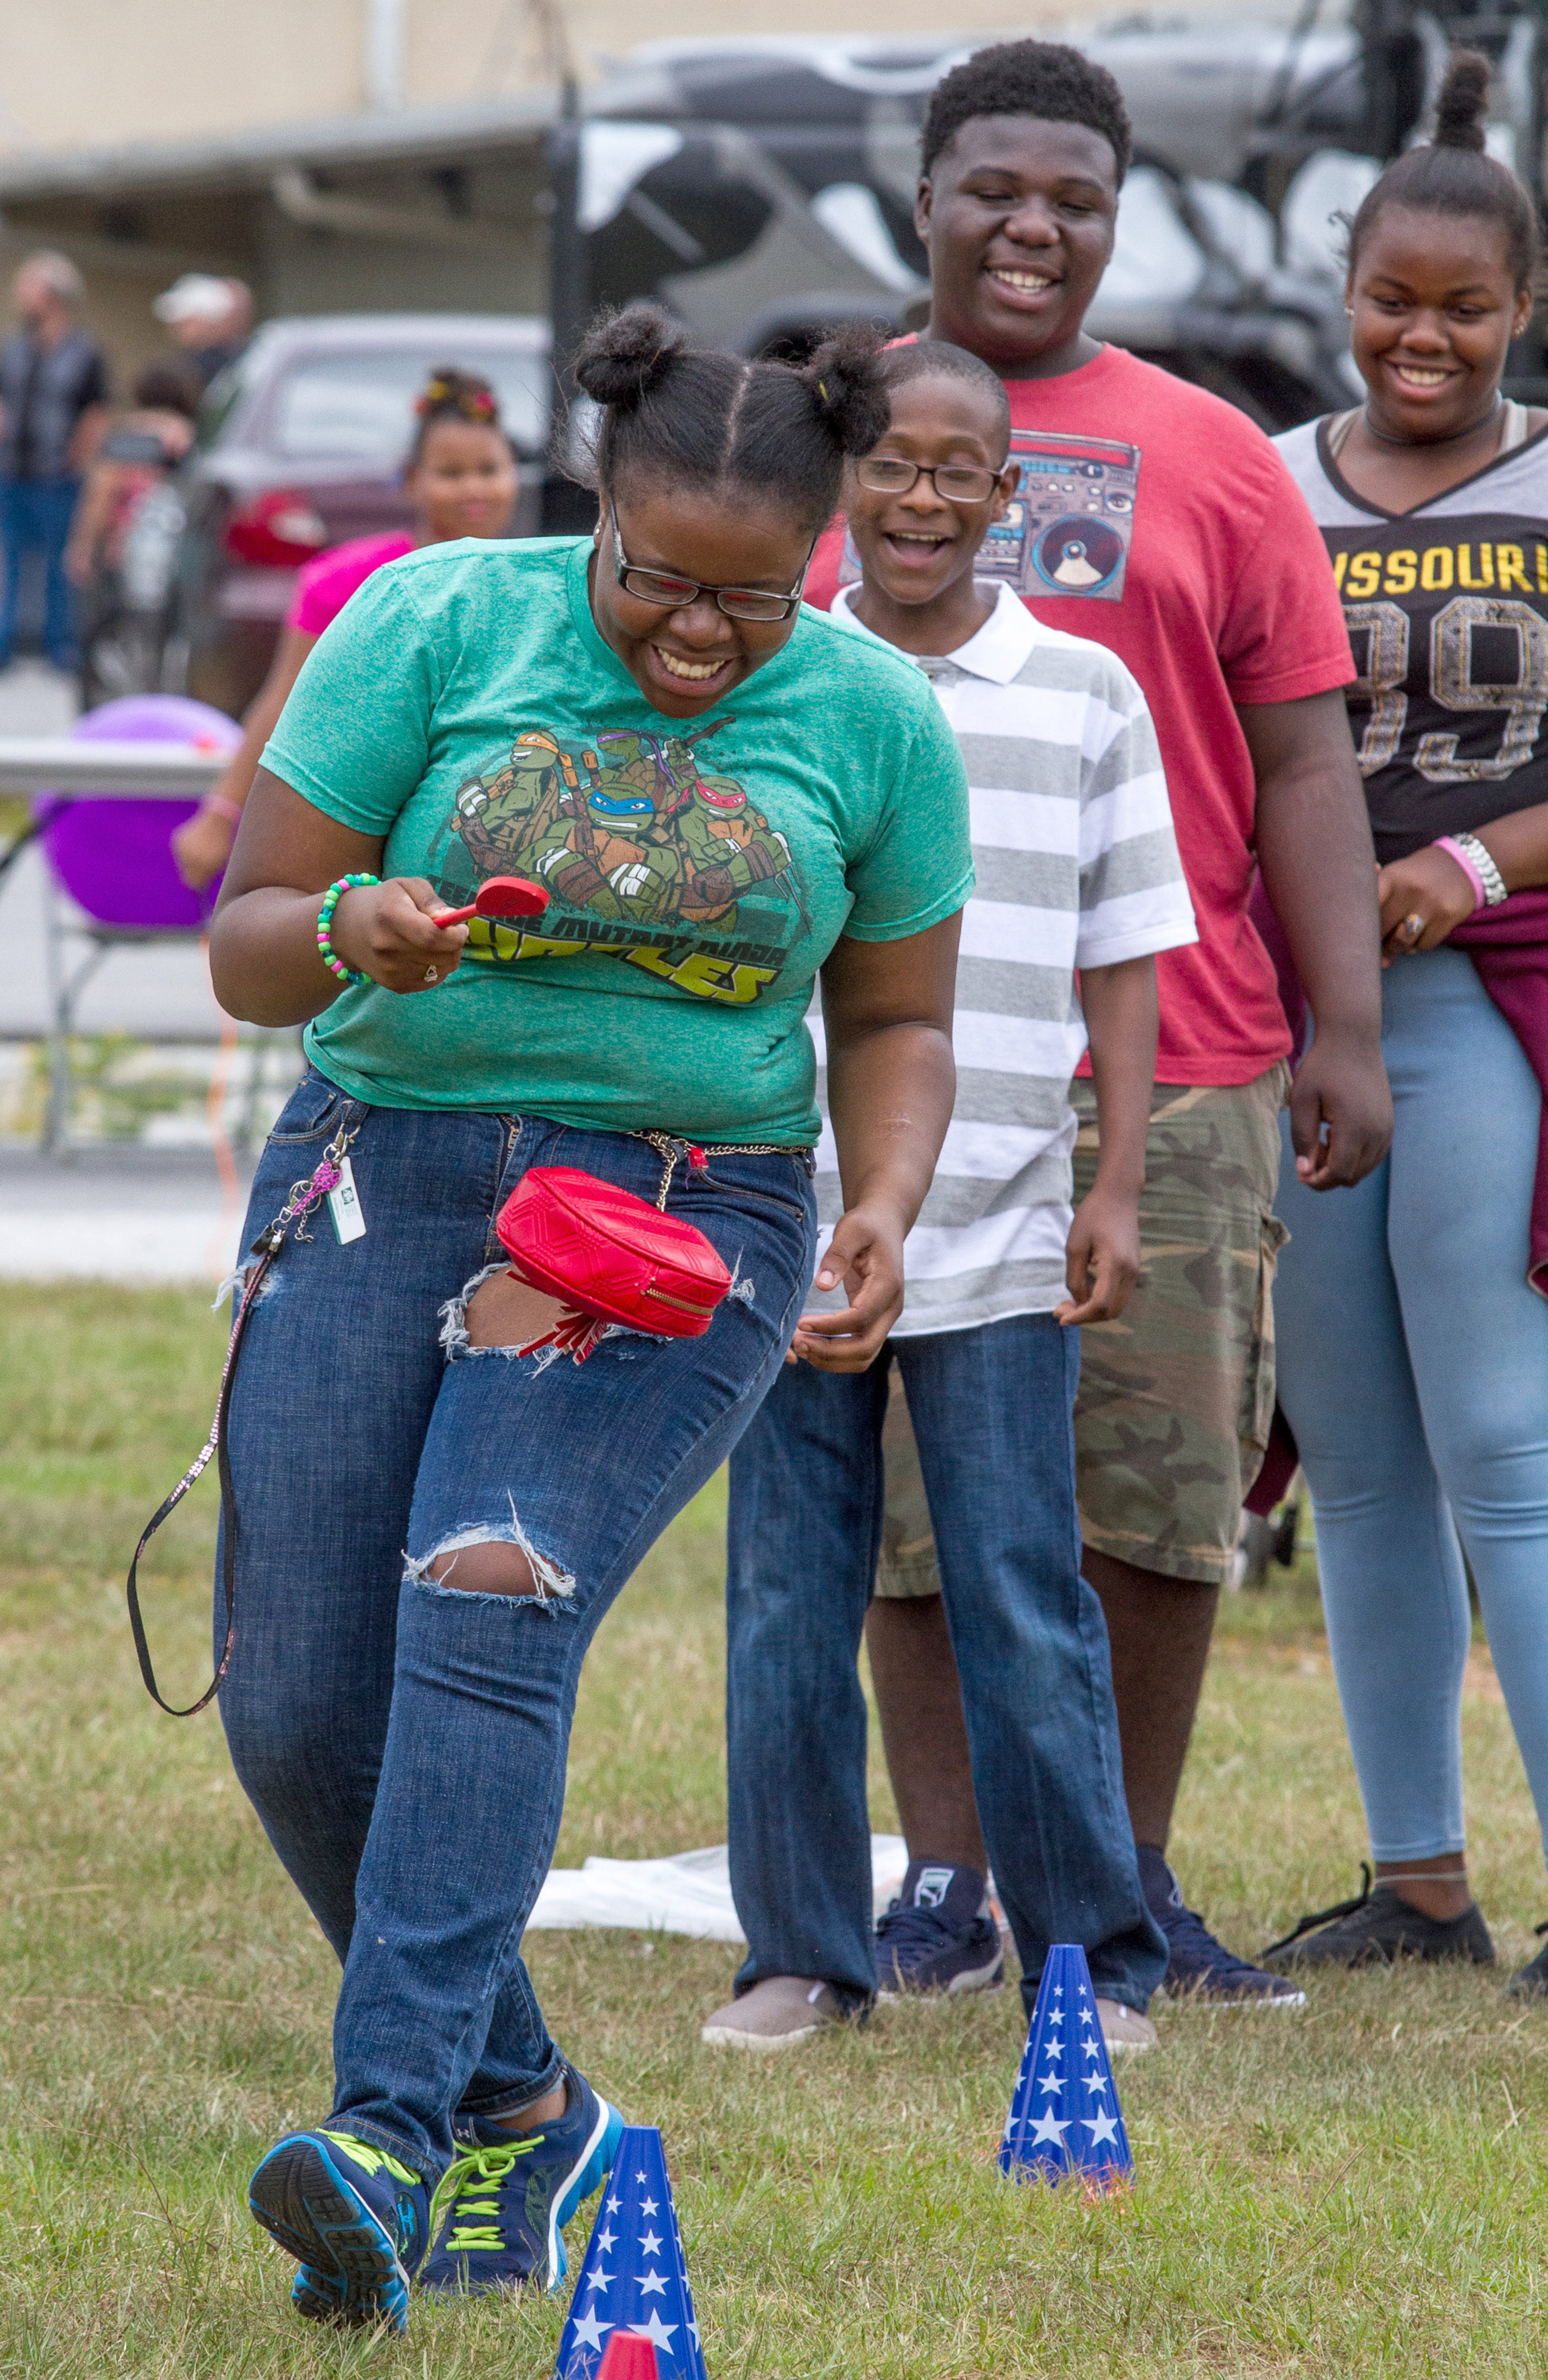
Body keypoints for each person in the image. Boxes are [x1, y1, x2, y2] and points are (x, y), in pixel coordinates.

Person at [206, 304, 974, 2332]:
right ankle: (529, 2101)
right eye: (658, 581)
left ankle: (384, 2131)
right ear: (597, 514)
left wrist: (880, 1202)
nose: (701, 636)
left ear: (814, 559)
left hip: (675, 1213)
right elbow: (246, 937)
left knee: (488, 1587)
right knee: (292, 1697)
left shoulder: (875, 718)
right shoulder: (438, 624)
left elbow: (895, 1017)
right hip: (389, 1163)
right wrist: (350, 924)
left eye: (753, 596)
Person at [803, 38, 1392, 2004]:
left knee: (1157, 1492)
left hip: (1189, 1047)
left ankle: (1122, 1882)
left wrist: (1349, 1026)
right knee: (907, 1511)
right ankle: (950, 1882)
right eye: (996, 190)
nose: (1032, 226)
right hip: (876, 1058)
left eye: (1072, 196)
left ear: (1113, 215)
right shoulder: (823, 422)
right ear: (928, 199)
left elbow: (1306, 765)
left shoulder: (1218, 449)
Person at [704, 337, 1194, 2055]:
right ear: (842, 484)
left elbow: (1127, 958)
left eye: (953, 474)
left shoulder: (1085, 695)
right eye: (887, 467)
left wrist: (1116, 1183)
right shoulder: (772, 676)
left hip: (993, 1219)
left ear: (1011, 497)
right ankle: (799, 1956)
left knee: (1014, 1584)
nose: (918, 499)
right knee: (786, 1584)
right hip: (783, 1215)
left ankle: (1092, 1961)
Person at [1263, 52, 1548, 1988]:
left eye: (1461, 305)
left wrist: (1473, 869)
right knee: (1356, 1459)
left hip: (1489, 1003)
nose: (1420, 336)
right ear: (1340, 289)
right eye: (1390, 298)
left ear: (1521, 309)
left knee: (1507, 1446)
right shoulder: (1268, 480)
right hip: (1303, 1024)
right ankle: (1417, 1882)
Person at [173, 366, 518, 892]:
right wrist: (221, 816)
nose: (474, 488)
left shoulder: (532, 584)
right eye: (451, 473)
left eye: (489, 469)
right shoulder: (346, 582)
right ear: (410, 479)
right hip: (354, 828)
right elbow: (284, 702)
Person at [0, 251, 109, 673]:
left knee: (59, 563)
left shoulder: (84, 353)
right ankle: (7, 645)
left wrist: (76, 458)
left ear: (53, 295)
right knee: (10, 561)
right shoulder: (15, 349)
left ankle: (60, 647)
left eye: (29, 287)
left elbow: (96, 411)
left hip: (59, 477)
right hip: (14, 473)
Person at [64, 357, 200, 594]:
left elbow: (102, 491)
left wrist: (83, 546)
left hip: (125, 545)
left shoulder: (128, 433)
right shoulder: (192, 436)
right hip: (180, 547)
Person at [152, 272, 253, 390]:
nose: (176, 330)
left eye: (186, 323)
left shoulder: (241, 362)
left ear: (210, 321)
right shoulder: (189, 363)